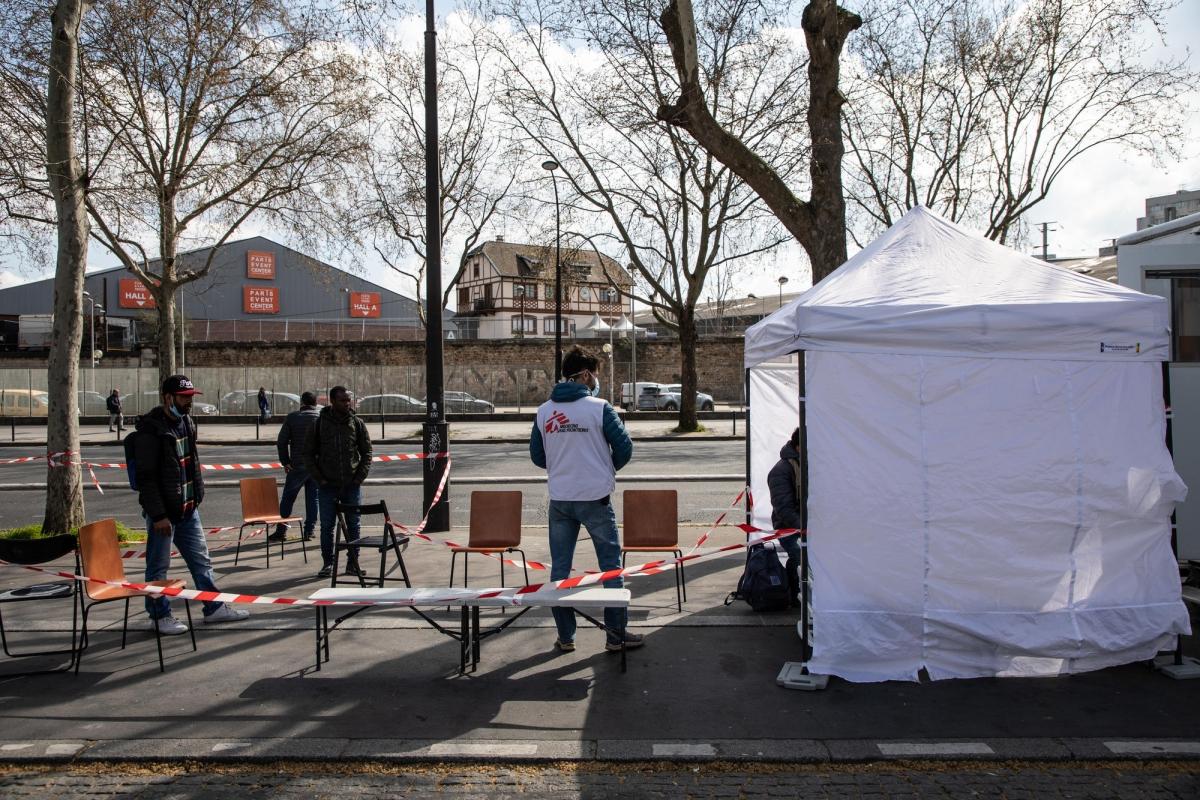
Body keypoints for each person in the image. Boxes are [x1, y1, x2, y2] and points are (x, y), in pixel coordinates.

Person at [530, 345, 641, 654]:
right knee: (610, 568)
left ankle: (566, 637)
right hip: (596, 498)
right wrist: (603, 468)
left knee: (560, 572)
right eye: (595, 374)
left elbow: (538, 457)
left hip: (561, 500)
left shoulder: (544, 411)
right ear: (586, 374)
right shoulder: (599, 408)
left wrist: (565, 464)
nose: (596, 380)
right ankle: (615, 634)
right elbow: (625, 448)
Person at [134, 375, 249, 634]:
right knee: (158, 566)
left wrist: (196, 498)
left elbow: (191, 464)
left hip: (188, 509)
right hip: (164, 514)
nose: (188, 402)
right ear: (168, 398)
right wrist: (159, 515)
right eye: (184, 397)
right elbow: (147, 479)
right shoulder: (151, 431)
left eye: (190, 397)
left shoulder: (187, 423)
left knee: (201, 562)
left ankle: (214, 608)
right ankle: (159, 615)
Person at [303, 385, 371, 579]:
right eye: (342, 400)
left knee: (354, 525)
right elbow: (308, 454)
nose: (347, 403)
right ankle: (328, 563)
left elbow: (367, 452)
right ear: (332, 401)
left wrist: (359, 478)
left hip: (351, 485)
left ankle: (353, 563)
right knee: (327, 527)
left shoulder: (356, 423)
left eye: (348, 399)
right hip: (327, 486)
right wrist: (320, 479)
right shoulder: (319, 424)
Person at [268, 391, 321, 543]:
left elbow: (282, 442)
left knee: (288, 498)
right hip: (316, 466)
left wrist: (285, 462)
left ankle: (281, 530)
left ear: (302, 403)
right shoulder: (320, 418)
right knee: (313, 499)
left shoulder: (293, 418)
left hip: (297, 464)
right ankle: (309, 531)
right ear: (315, 404)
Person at [767, 427, 806, 607]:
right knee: (799, 555)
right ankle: (795, 593)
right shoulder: (781, 471)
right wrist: (803, 527)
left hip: (807, 524)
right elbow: (783, 508)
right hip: (788, 526)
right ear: (798, 447)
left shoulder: (809, 464)